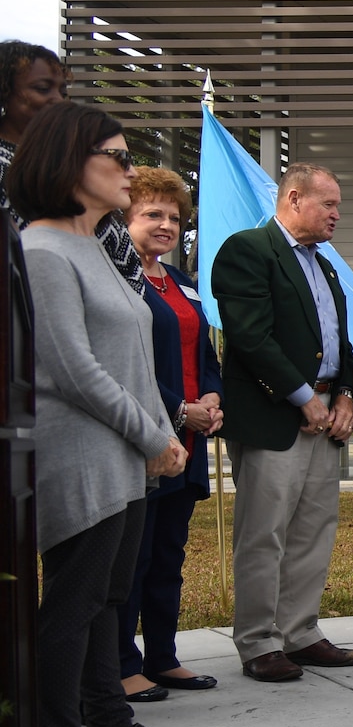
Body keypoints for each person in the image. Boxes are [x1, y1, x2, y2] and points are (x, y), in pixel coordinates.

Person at [8, 102, 191, 727]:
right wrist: (154, 434)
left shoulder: (95, 248)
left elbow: (132, 360)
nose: (127, 167)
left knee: (109, 597)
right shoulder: (44, 250)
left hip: (124, 454)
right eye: (114, 156)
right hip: (82, 454)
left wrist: (160, 432)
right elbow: (73, 369)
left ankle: (109, 724)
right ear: (67, 164)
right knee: (75, 603)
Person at [212, 162, 353, 683]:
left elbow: (343, 341)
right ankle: (258, 641)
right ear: (294, 199)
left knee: (313, 531)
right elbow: (251, 337)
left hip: (325, 419)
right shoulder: (248, 251)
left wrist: (345, 395)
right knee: (264, 533)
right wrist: (304, 397)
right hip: (275, 419)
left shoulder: (324, 266)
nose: (336, 215)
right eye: (329, 204)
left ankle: (300, 632)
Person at [119, 167, 225, 700]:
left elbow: (204, 354)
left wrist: (211, 397)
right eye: (152, 214)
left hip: (189, 439)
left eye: (174, 217)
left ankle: (162, 655)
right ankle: (120, 663)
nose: (166, 225)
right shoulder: (119, 281)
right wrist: (179, 410)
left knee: (169, 554)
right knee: (132, 557)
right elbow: (125, 366)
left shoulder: (182, 281)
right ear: (124, 219)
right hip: (144, 437)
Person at [0, 41, 144, 291]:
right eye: (43, 89)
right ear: (5, 91)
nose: (57, 99)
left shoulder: (73, 163)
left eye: (63, 92)